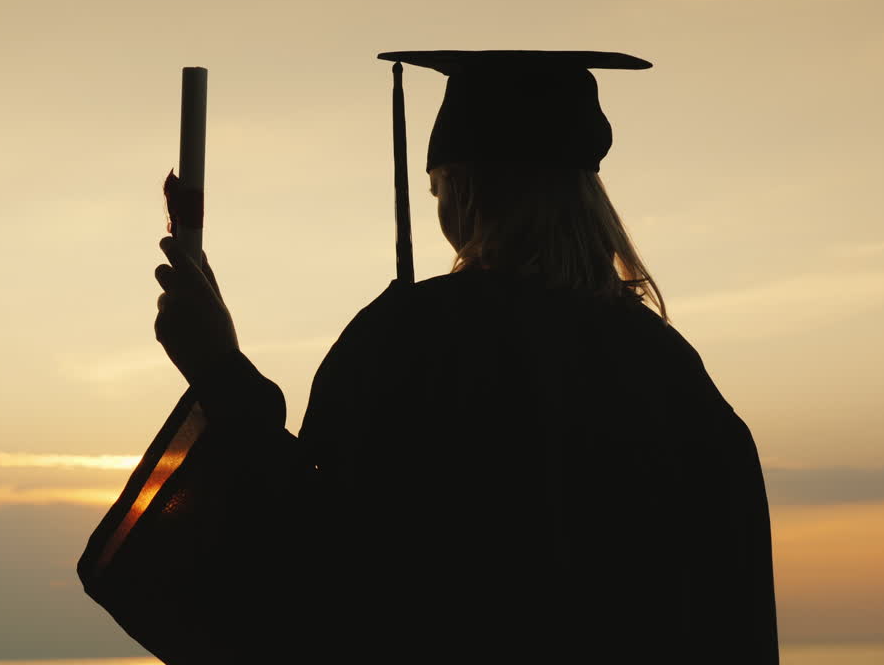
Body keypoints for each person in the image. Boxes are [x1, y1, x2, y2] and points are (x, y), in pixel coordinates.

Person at [90, 50, 779, 664]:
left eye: (439, 187)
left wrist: (219, 369)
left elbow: (319, 570)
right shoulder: (674, 374)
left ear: (465, 186)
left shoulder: (414, 340)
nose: (439, 205)